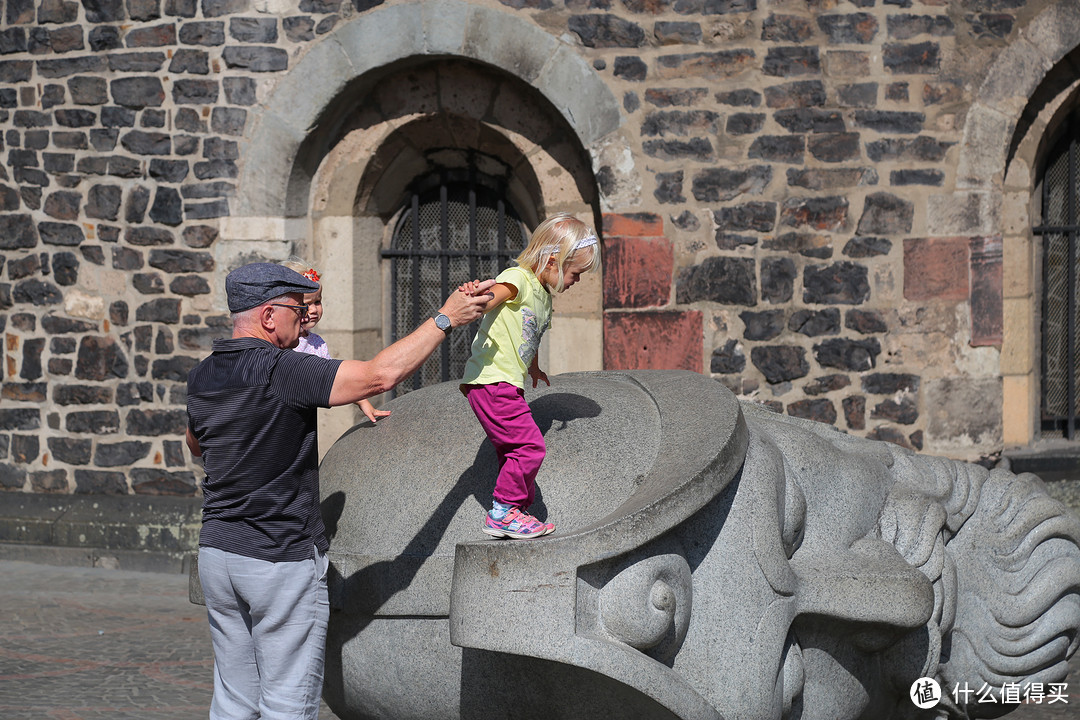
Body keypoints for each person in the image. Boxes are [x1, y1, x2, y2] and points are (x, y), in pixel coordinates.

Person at [185, 262, 493, 720]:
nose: (304, 317)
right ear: (269, 316)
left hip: (218, 556)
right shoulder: (282, 369)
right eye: (296, 307)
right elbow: (379, 377)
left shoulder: (204, 374)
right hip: (277, 556)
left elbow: (194, 443)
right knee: (287, 703)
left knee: (233, 700)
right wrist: (446, 317)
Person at [459, 213, 601, 540]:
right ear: (553, 261)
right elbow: (498, 295)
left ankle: (514, 511)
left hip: (505, 382)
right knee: (531, 446)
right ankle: (504, 513)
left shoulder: (544, 298)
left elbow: (530, 333)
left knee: (513, 452)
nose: (576, 281)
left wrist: (534, 367)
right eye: (575, 273)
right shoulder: (519, 278)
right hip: (492, 380)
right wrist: (479, 299)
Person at [279, 258, 389, 424]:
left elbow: (334, 378)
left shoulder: (317, 343)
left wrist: (362, 401)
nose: (314, 309)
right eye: (306, 304)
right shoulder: (278, 340)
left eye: (318, 301)